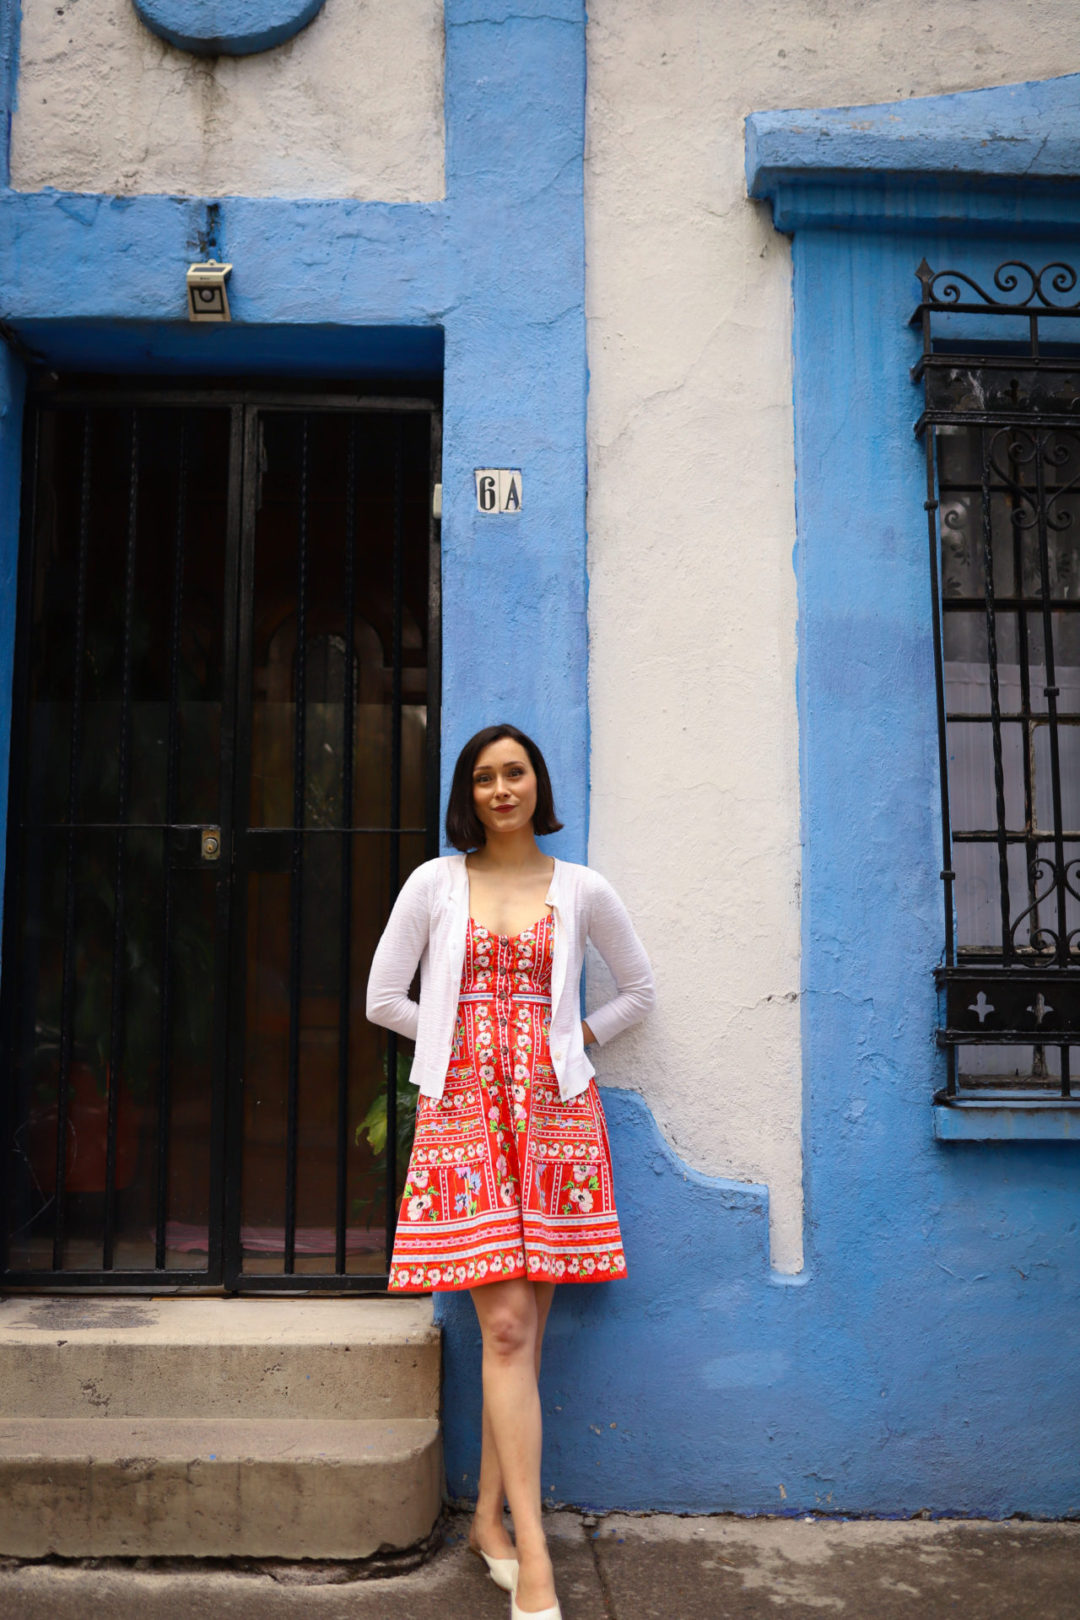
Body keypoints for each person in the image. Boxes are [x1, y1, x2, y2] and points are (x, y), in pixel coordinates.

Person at [366, 723, 655, 1620]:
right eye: (485, 777)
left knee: (519, 1334)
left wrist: (570, 1041)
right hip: (463, 1119)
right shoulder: (434, 883)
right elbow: (383, 996)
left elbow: (639, 990)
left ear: (537, 784)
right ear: (470, 792)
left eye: (515, 773)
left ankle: (487, 1521)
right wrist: (458, 1042)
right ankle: (534, 1554)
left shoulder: (581, 888)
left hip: (558, 1117)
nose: (501, 789)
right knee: (503, 1331)